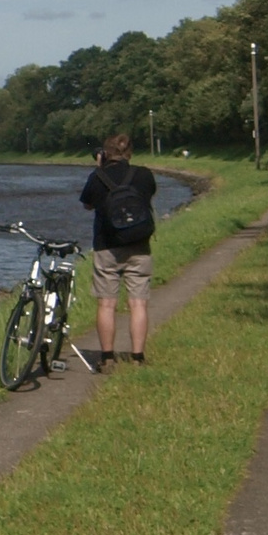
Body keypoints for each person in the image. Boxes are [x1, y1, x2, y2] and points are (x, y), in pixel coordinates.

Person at [81, 133, 158, 369]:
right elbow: (149, 195)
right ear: (129, 152)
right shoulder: (144, 174)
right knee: (138, 304)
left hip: (107, 246)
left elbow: (87, 204)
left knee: (107, 304)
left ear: (104, 153)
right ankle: (137, 358)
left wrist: (100, 169)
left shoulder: (97, 177)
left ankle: (107, 358)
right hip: (139, 244)